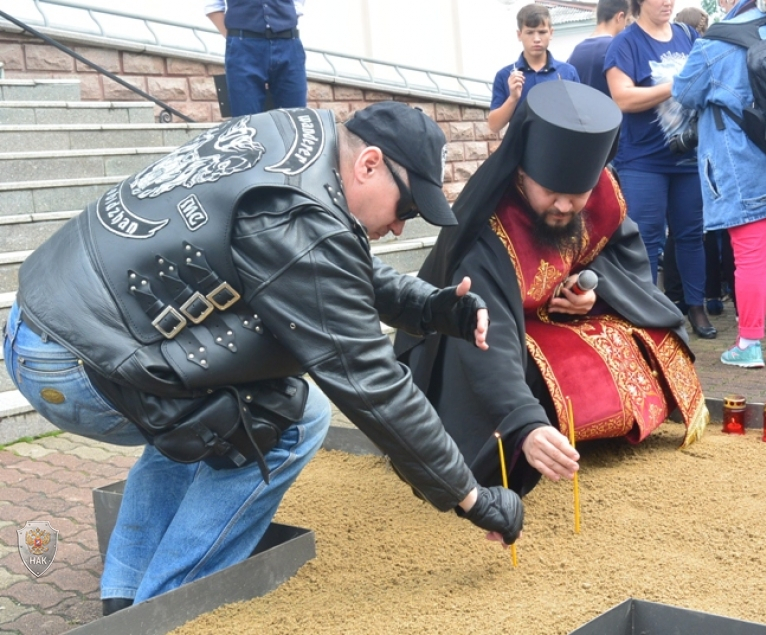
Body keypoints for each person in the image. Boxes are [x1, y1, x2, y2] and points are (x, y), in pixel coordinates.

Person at [3, 102, 524, 613]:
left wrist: (432, 308)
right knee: (289, 421)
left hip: (44, 317)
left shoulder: (295, 134)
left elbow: (336, 268)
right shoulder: (296, 218)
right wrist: (471, 497)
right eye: (406, 208)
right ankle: (169, 609)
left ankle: (126, 600)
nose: (399, 229)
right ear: (369, 164)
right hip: (75, 363)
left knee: (206, 415)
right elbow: (372, 382)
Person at [395, 81, 708, 497]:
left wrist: (593, 297)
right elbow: (487, 333)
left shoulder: (598, 197)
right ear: (522, 175)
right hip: (486, 336)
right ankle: (538, 436)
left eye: (576, 195)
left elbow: (620, 260)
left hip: (558, 318)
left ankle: (580, 433)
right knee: (519, 384)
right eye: (552, 194)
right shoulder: (490, 228)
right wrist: (523, 420)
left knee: (653, 341)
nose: (564, 207)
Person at [672, 0, 766, 367]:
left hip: (743, 165)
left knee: (751, 258)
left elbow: (684, 93)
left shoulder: (715, 43)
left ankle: (749, 344)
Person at [604, 0, 717, 340]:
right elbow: (622, 98)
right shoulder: (625, 43)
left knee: (691, 235)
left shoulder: (687, 35)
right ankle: (647, 312)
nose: (667, 2)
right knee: (646, 239)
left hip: (688, 160)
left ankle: (695, 307)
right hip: (643, 161)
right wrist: (676, 85)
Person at [487, 3, 580, 133]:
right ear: (519, 35)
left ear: (551, 33)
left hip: (558, 149)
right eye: (529, 32)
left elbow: (579, 119)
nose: (536, 39)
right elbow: (493, 126)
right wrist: (513, 98)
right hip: (521, 151)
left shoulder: (568, 72)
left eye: (542, 32)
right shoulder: (506, 75)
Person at [205, 0, 307, 115]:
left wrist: (281, 22)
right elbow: (212, 7)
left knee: (295, 118)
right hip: (244, 47)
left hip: (288, 44)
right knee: (246, 121)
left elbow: (298, 5)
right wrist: (235, 36)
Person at [567, 0, 630, 97]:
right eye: (626, 21)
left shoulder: (576, 51)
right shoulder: (618, 49)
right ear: (620, 17)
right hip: (612, 111)